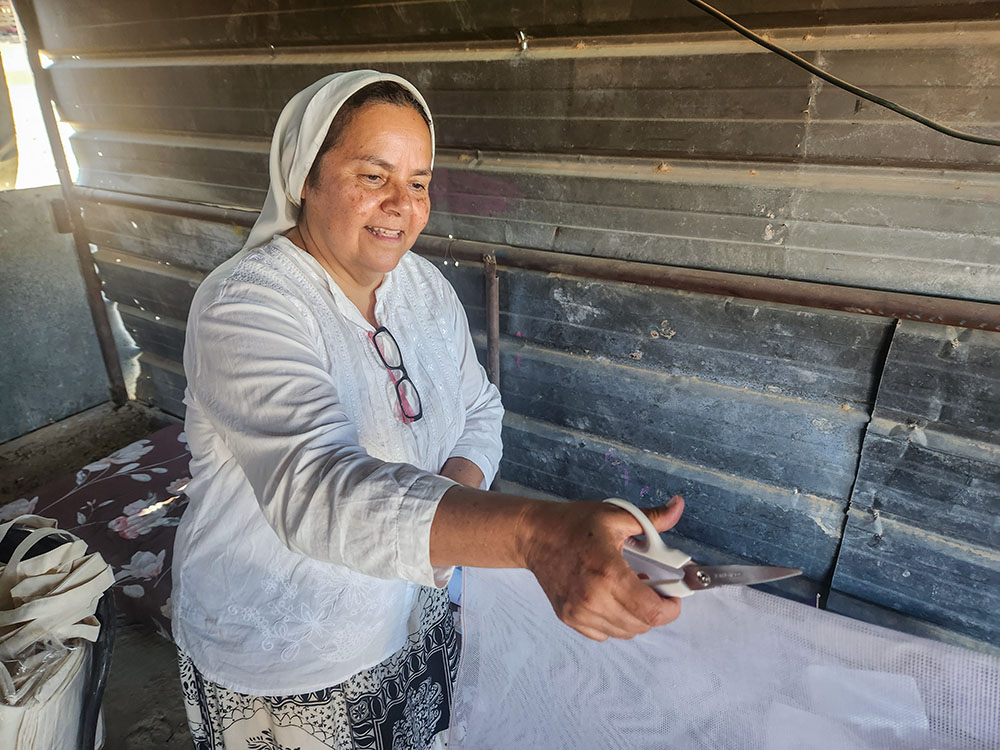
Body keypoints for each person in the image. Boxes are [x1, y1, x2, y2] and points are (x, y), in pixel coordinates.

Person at [172, 69, 685, 750]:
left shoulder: (418, 287)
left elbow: (480, 410)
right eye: (373, 175)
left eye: (418, 183)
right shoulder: (247, 306)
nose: (401, 205)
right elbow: (316, 488)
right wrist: (534, 536)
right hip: (297, 659)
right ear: (303, 177)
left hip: (416, 611)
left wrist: (449, 522)